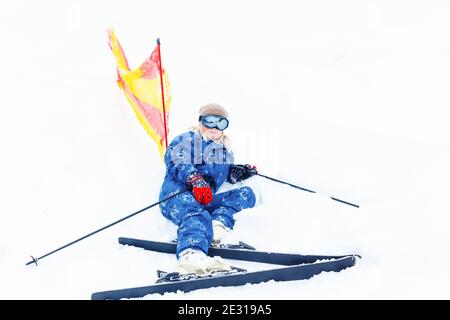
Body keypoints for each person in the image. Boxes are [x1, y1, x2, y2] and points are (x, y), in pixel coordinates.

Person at [159, 103, 259, 275]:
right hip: (177, 197)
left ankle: (216, 228)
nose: (214, 127)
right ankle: (191, 257)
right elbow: (177, 161)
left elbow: (223, 174)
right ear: (200, 122)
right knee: (197, 215)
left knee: (245, 194)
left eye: (220, 123)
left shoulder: (224, 152)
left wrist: (237, 172)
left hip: (204, 199)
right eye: (209, 121)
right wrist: (194, 178)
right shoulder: (187, 140)